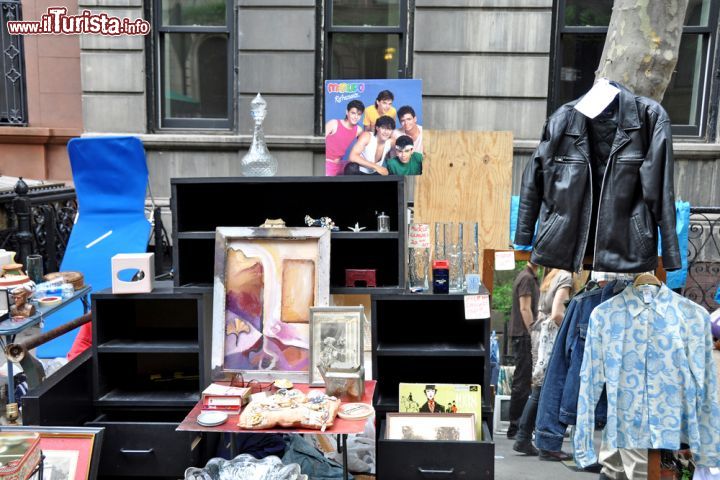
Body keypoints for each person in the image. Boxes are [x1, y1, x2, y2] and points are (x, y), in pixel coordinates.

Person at [513, 269, 573, 461]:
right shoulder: (566, 277)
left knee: (538, 389)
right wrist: (572, 328)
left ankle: (524, 437)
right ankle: (534, 440)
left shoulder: (551, 276)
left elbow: (541, 309)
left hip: (542, 333)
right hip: (551, 335)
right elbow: (557, 313)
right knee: (544, 390)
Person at [507, 261, 539, 439]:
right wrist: (533, 332)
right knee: (522, 381)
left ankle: (517, 425)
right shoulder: (527, 278)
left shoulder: (528, 276)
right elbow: (525, 307)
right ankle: (516, 426)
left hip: (522, 334)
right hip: (523, 334)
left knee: (523, 380)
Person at [325, 100, 365, 176]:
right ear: (347, 112)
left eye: (359, 114)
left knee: (354, 168)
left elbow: (365, 146)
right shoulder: (334, 123)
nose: (356, 117)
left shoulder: (358, 130)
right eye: (353, 113)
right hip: (327, 164)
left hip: (341, 165)